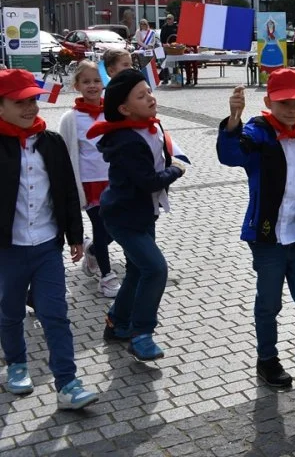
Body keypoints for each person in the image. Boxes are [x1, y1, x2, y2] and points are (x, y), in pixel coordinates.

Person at [217, 70, 295, 393]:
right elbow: (230, 155)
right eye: (284, 102)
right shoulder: (258, 132)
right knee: (269, 305)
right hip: (268, 240)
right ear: (269, 101)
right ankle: (267, 359)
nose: (291, 109)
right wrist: (234, 119)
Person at [0, 69, 99, 409]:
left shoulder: (51, 142)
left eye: (33, 101)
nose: (30, 108)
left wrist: (74, 234)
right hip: (8, 250)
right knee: (10, 312)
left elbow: (67, 191)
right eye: (19, 103)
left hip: (46, 245)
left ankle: (68, 383)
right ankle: (16, 364)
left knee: (55, 314)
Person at [88, 69, 188, 361]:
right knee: (155, 269)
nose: (151, 99)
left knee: (136, 270)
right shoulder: (127, 141)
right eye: (141, 96)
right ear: (124, 109)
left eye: (149, 92)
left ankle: (117, 322)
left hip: (143, 214)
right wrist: (177, 170)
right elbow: (148, 181)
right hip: (123, 217)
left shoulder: (148, 127)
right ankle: (141, 334)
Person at [56, 61, 121, 298]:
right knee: (101, 227)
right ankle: (107, 276)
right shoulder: (70, 118)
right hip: (90, 184)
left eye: (96, 81)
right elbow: (64, 155)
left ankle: (92, 250)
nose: (92, 86)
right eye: (86, 81)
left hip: (116, 181)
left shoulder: (114, 111)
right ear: (77, 85)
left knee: (119, 227)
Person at [159, 14, 178, 84]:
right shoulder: (164, 27)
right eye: (167, 19)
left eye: (170, 19)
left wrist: (177, 44)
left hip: (175, 47)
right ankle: (165, 79)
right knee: (165, 64)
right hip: (166, 47)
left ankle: (175, 79)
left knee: (175, 64)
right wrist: (164, 44)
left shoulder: (176, 27)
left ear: (173, 19)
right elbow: (161, 37)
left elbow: (178, 37)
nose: (168, 20)